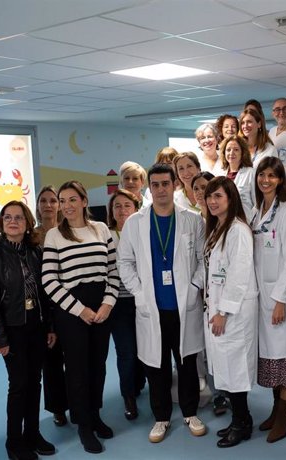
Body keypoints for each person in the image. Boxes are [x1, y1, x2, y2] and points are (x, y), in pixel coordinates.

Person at [116, 163, 207, 443]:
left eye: (165, 184)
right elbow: (125, 262)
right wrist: (140, 294)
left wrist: (194, 287)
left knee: (187, 362)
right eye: (154, 185)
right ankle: (162, 418)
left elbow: (205, 259)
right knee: (156, 366)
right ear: (149, 187)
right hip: (151, 307)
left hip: (184, 306)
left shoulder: (193, 220)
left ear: (175, 185)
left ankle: (190, 412)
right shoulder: (135, 222)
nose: (160, 189)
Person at [41, 180, 120, 454]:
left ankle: (95, 415)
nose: (66, 206)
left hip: (102, 307)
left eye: (72, 199)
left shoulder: (101, 230)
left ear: (84, 201)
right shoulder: (54, 235)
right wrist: (80, 309)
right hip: (71, 310)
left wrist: (108, 304)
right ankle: (83, 425)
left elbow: (113, 271)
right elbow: (49, 280)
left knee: (98, 365)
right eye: (62, 201)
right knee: (76, 370)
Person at [0, 201, 56, 460]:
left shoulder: (35, 251)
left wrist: (50, 327)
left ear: (27, 223)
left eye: (19, 218)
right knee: (19, 384)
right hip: (12, 330)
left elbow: (45, 294)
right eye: (8, 217)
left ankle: (32, 434)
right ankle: (14, 442)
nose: (13, 221)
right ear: (1, 223)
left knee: (35, 382)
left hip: (36, 325)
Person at [201, 177, 259, 448]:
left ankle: (242, 423)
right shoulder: (217, 229)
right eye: (209, 197)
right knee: (226, 368)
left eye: (218, 196)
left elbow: (238, 275)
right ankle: (239, 419)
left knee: (235, 370)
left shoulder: (238, 230)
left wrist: (223, 311)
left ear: (230, 199)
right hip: (219, 309)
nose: (212, 201)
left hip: (233, 312)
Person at [251, 157, 286, 443]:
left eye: (272, 175)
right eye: (262, 175)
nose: (266, 180)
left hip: (280, 298)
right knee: (271, 358)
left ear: (281, 180)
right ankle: (276, 409)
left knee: (285, 357)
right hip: (260, 298)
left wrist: (281, 299)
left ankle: (285, 414)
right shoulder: (255, 212)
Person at [191, 171, 228, 416]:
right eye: (197, 190)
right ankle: (205, 388)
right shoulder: (194, 222)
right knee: (200, 347)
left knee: (220, 348)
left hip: (220, 298)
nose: (202, 194)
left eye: (207, 189)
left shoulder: (223, 223)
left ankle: (221, 395)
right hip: (199, 294)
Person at [106, 189, 145, 421]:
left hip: (143, 299)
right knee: (126, 351)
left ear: (135, 208)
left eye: (126, 205)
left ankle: (139, 383)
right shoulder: (105, 234)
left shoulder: (143, 231)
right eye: (117, 206)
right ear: (111, 211)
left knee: (145, 348)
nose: (122, 210)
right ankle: (128, 396)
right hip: (118, 302)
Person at [35, 186, 69, 428]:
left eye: (53, 201)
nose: (48, 205)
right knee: (52, 360)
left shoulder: (66, 232)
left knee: (76, 358)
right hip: (43, 307)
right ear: (37, 206)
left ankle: (80, 401)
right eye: (43, 201)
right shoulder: (30, 236)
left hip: (68, 302)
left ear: (59, 205)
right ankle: (58, 408)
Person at [219, 134, 256, 218]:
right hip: (225, 221)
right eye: (228, 150)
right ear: (224, 152)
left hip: (245, 221)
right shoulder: (220, 174)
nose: (231, 153)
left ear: (243, 152)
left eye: (236, 150)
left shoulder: (251, 173)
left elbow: (257, 204)